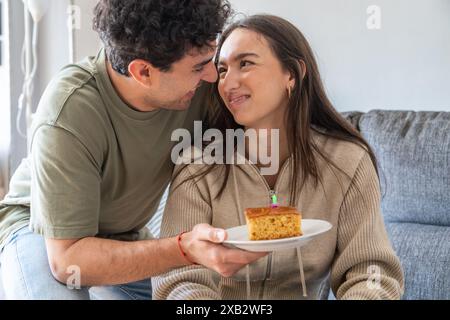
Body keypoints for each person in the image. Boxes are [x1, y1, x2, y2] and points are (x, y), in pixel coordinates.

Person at [0, 0, 266, 300]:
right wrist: (184, 249)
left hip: (122, 235)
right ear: (143, 72)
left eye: (210, 58)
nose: (212, 76)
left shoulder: (197, 86)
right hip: (43, 232)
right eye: (198, 67)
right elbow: (67, 260)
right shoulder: (68, 113)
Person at [152, 14, 405, 300]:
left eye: (245, 63)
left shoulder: (347, 161)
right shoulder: (198, 164)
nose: (227, 83)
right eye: (222, 70)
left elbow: (372, 271)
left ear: (292, 74)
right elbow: (178, 279)